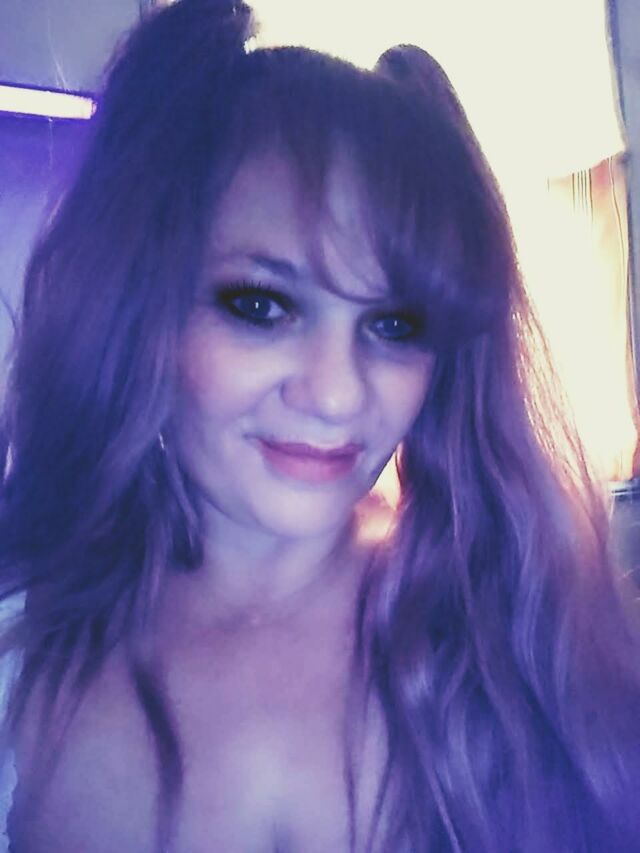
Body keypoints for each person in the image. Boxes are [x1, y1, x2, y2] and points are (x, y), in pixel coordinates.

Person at [1, 0, 639, 850]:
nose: (337, 395)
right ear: (145, 307)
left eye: (394, 323)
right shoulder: (23, 636)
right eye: (261, 305)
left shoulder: (511, 637)